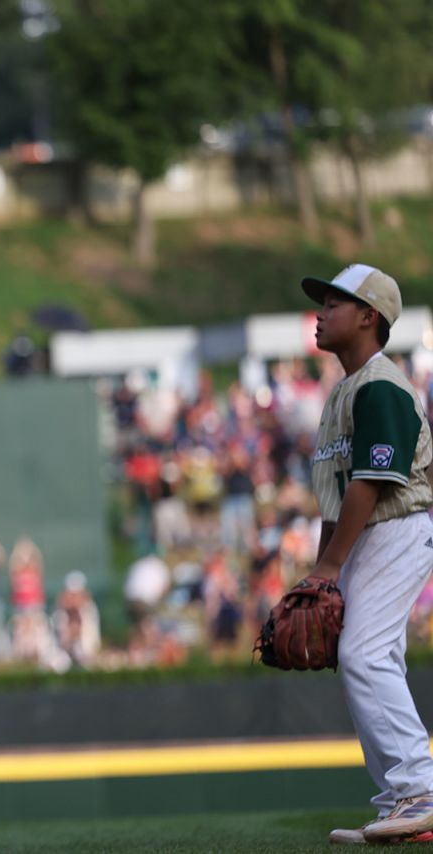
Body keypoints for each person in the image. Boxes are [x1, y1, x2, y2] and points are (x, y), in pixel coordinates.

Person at [299, 265, 433, 844]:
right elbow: (336, 499)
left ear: (368, 317)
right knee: (372, 658)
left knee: (363, 655)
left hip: (399, 525)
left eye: (335, 303)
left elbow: (372, 482)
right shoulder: (343, 392)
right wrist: (320, 570)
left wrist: (330, 566)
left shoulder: (381, 384)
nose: (321, 313)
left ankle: (419, 789)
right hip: (368, 533)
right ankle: (401, 805)